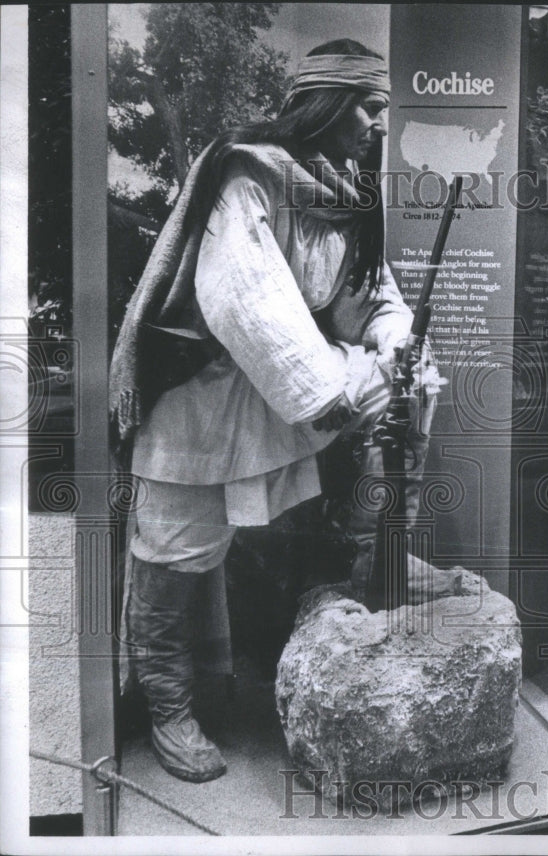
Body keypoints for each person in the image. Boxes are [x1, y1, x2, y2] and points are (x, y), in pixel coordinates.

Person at [109, 40, 424, 783]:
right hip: (199, 404)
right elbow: (244, 297)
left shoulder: (343, 197)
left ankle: (350, 584)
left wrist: (397, 341)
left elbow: (371, 293)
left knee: (404, 392)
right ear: (327, 103)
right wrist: (330, 391)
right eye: (370, 108)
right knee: (174, 552)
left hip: (268, 404)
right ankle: (167, 708)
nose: (378, 125)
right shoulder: (247, 173)